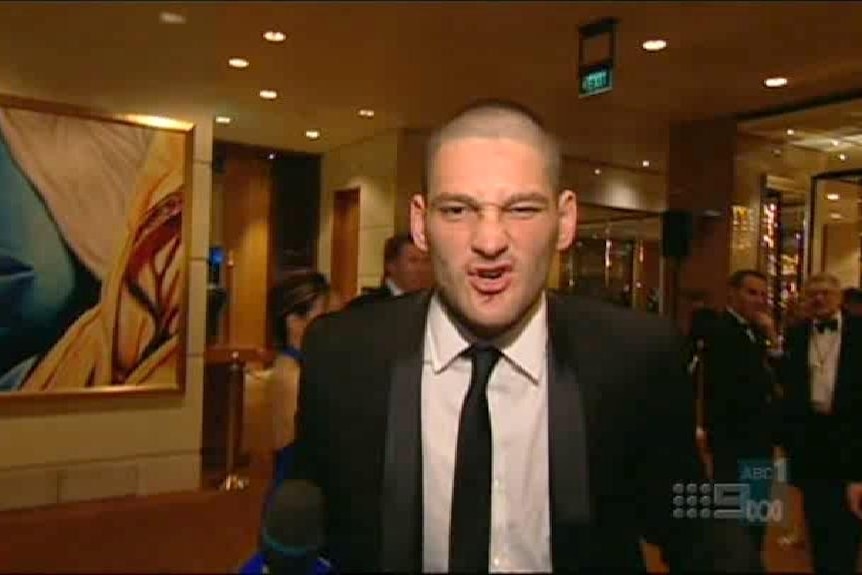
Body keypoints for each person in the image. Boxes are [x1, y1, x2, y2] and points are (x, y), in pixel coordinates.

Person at [291, 100, 756, 571]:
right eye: (457, 209)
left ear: (565, 219)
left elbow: (693, 513)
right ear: (420, 223)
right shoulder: (342, 355)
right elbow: (309, 519)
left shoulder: (637, 355)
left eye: (522, 209)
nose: (490, 242)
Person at [779, 273, 862, 573]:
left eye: (826, 292)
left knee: (849, 522)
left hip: (851, 436)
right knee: (817, 520)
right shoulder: (797, 334)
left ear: (839, 296)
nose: (819, 298)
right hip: (811, 438)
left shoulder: (859, 332)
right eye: (812, 293)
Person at [700, 270, 781, 564]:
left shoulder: (757, 331)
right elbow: (722, 388)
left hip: (758, 437)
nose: (759, 300)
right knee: (732, 514)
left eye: (762, 294)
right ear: (732, 293)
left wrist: (771, 337)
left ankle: (751, 561)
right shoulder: (721, 330)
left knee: (755, 511)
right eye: (751, 292)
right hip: (733, 438)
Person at [267, 270, 332, 487]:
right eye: (322, 315)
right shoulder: (292, 374)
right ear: (294, 322)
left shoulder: (299, 365)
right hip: (298, 489)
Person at [347, 233, 431, 307]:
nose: (422, 268)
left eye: (426, 261)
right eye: (413, 260)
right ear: (391, 265)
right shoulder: (365, 306)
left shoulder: (434, 306)